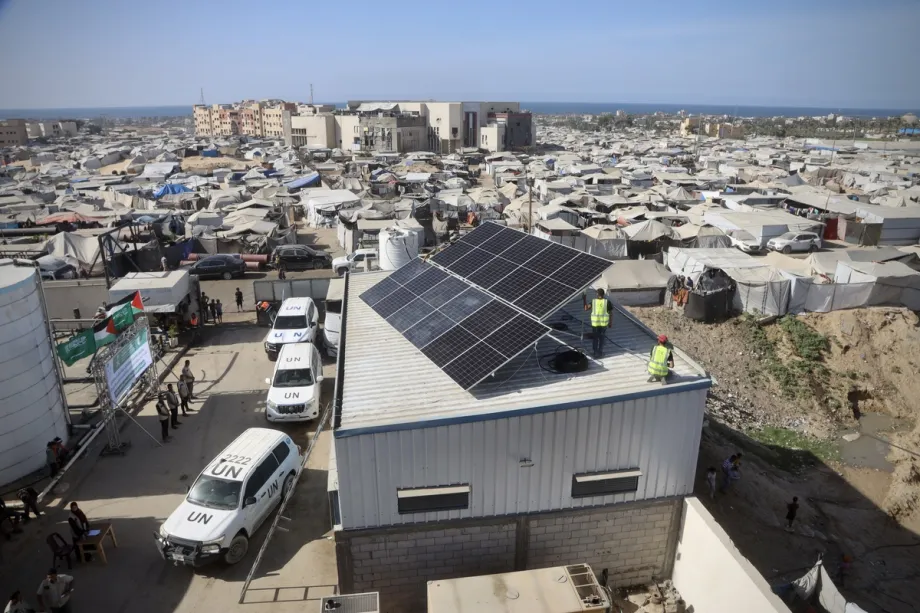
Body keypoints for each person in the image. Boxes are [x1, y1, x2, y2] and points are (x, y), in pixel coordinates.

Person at [584, 288, 612, 358]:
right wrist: (610, 323)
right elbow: (611, 314)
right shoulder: (607, 302)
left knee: (596, 338)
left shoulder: (593, 302)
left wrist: (584, 299)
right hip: (603, 325)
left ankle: (595, 353)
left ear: (597, 294)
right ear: (603, 294)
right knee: (602, 338)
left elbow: (586, 308)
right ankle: (600, 352)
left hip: (595, 324)